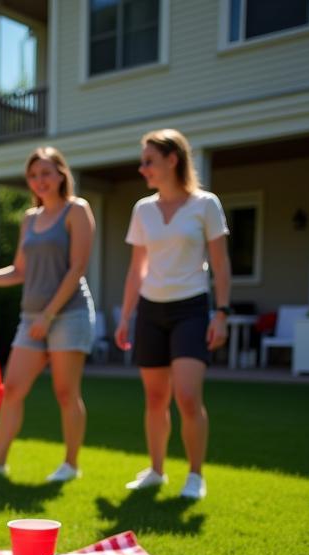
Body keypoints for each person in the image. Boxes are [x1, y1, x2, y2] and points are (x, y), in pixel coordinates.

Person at [0, 146, 96, 482]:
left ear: (62, 173)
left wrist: (49, 315)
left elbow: (77, 267)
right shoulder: (30, 219)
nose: (39, 181)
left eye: (46, 173)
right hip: (32, 317)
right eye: (33, 176)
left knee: (66, 392)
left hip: (68, 315)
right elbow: (20, 270)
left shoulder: (77, 210)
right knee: (12, 389)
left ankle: (70, 465)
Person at [114, 128, 232, 501]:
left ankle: (195, 475)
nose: (142, 168)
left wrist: (222, 313)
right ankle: (156, 470)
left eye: (149, 161)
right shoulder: (143, 210)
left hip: (191, 309)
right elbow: (136, 269)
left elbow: (220, 263)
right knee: (154, 399)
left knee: (186, 396)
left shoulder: (205, 204)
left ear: (172, 160)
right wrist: (125, 316)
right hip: (150, 310)